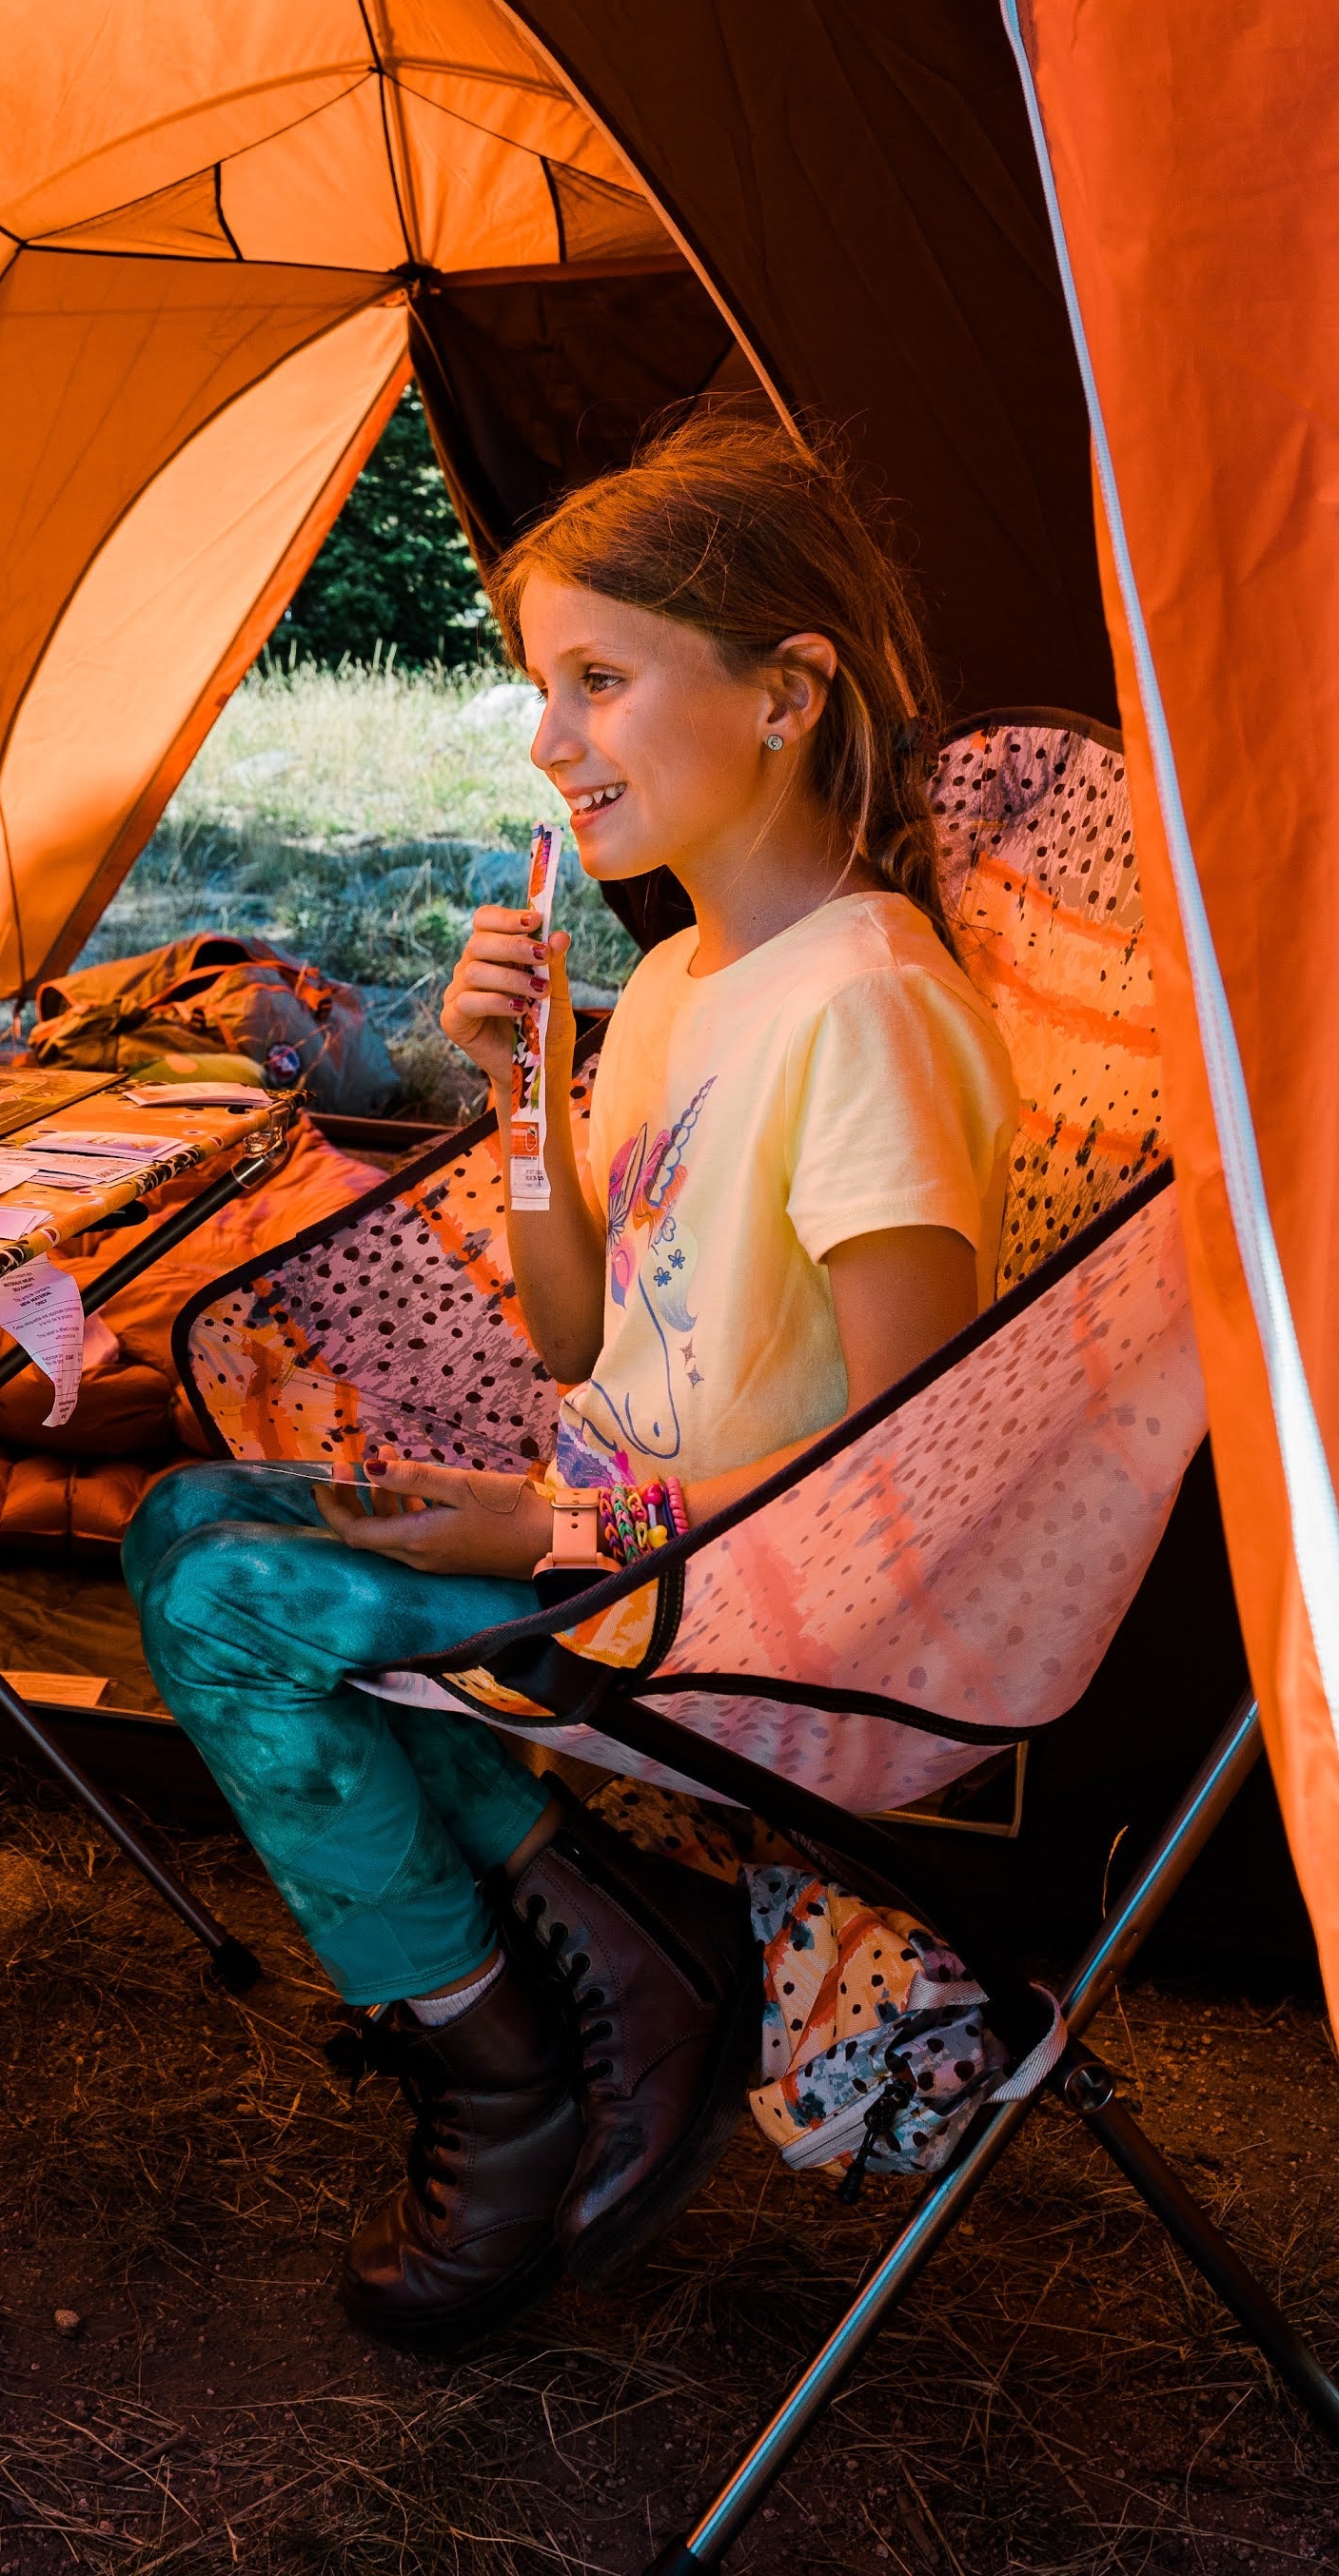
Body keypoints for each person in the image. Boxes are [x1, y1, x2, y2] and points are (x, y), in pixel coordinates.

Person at [121, 410, 1019, 2348]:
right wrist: (524, 1099)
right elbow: (569, 1335)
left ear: (784, 694)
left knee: (225, 1595)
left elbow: (911, 1485)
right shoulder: (696, 976)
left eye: (597, 681)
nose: (547, 741)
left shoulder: (866, 1008)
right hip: (616, 1563)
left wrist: (547, 1523)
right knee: (191, 1526)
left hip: (752, 1624)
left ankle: (506, 2077)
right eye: (545, 687)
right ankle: (621, 1961)